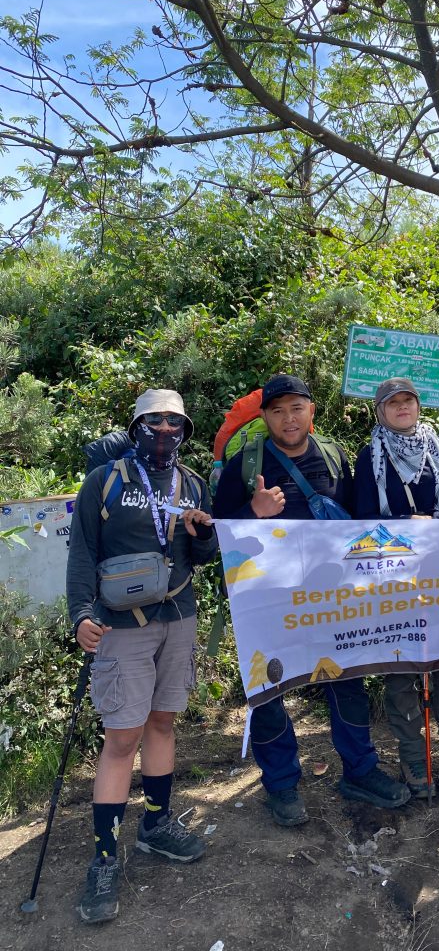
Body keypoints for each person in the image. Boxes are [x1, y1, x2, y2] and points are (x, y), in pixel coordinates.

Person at [213, 374, 410, 825]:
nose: (288, 418)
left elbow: (360, 526)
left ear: (311, 411)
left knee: (348, 680)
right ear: (264, 416)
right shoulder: (246, 464)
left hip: (332, 596)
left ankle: (360, 770)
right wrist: (252, 513)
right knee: (270, 689)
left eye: (296, 408)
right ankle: (281, 784)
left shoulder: (334, 457)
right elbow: (215, 540)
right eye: (278, 410)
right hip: (268, 600)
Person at [68, 389, 217, 924]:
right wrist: (81, 615)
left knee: (161, 723)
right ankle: (105, 856)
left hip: (177, 618)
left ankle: (156, 825)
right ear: (136, 426)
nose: (164, 430)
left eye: (175, 422)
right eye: (154, 420)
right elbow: (83, 550)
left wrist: (203, 534)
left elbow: (200, 558)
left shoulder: (193, 483)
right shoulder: (105, 480)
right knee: (121, 737)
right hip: (119, 626)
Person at [353, 377, 439, 798]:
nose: (403, 408)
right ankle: (413, 756)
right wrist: (403, 529)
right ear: (380, 410)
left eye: (409, 401)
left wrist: (435, 524)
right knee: (400, 665)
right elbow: (362, 520)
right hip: (391, 577)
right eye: (393, 403)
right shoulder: (370, 457)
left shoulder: (437, 448)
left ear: (418, 406)